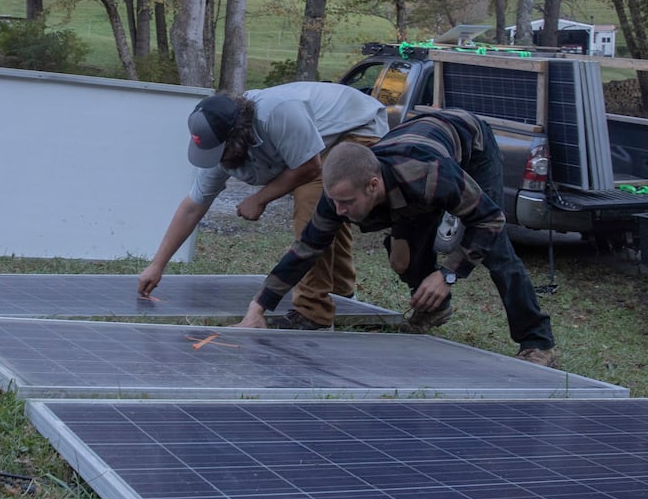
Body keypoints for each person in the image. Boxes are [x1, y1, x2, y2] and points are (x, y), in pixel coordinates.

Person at [238, 107, 559, 365]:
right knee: (401, 259)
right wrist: (259, 306)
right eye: (335, 202)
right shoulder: (339, 195)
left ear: (373, 186)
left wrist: (447, 273)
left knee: (497, 253)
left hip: (471, 147)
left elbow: (489, 220)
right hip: (409, 166)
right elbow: (306, 249)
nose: (339, 211)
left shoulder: (432, 176)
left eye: (347, 203)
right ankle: (436, 306)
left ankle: (537, 341)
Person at [137, 82, 388, 329]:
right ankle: (342, 294)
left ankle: (313, 314)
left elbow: (309, 168)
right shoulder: (219, 147)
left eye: (220, 154)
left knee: (310, 201)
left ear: (237, 137)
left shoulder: (277, 113)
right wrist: (157, 265)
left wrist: (259, 199)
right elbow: (193, 206)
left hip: (357, 125)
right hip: (316, 144)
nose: (218, 161)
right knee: (330, 211)